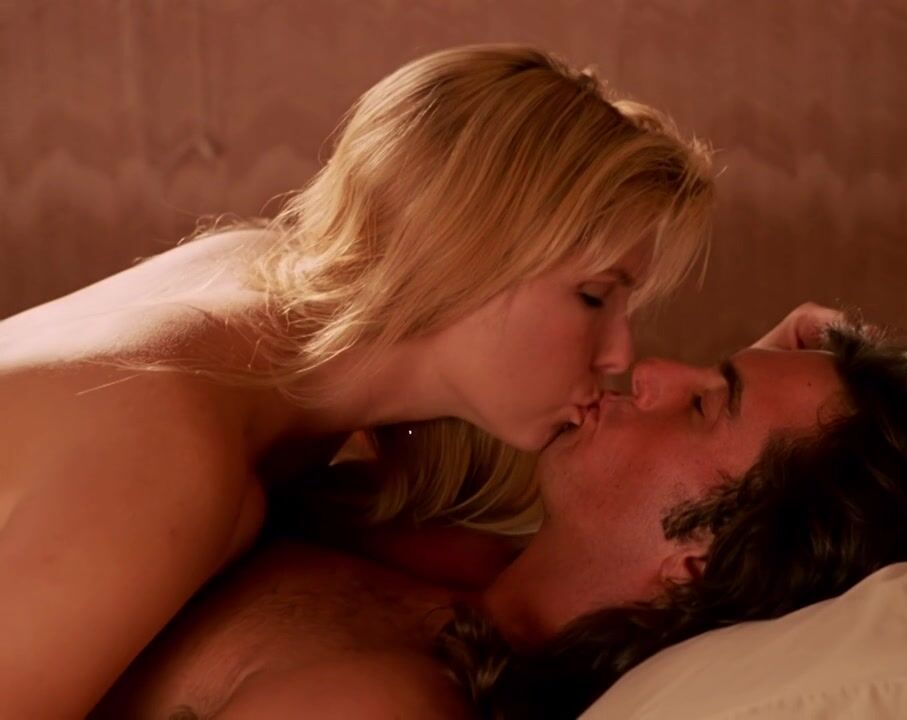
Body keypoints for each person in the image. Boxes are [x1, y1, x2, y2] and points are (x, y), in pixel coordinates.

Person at [0, 44, 714, 719]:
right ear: (468, 251)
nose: (620, 355)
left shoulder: (255, 297)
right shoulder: (169, 453)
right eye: (593, 296)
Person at [91, 314, 907, 719]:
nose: (645, 368)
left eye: (704, 403)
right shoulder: (458, 550)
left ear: (700, 560)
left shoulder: (394, 702)